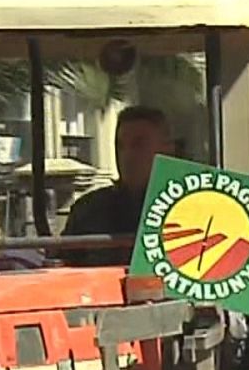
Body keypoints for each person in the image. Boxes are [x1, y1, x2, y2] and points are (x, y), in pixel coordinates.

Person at [62, 106, 172, 265]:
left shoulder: (191, 206)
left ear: (166, 149)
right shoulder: (89, 209)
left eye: (138, 144)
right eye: (120, 146)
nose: (127, 155)